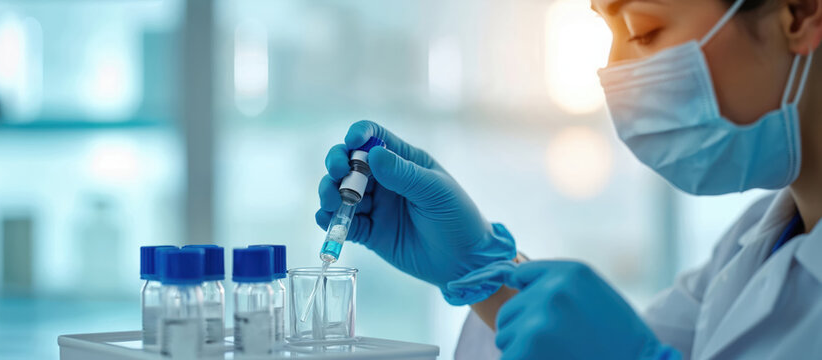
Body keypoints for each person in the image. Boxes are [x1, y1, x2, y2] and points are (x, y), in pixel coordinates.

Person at [316, 0, 822, 358]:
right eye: (609, 32)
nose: (614, 70)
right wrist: (479, 269)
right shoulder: (756, 244)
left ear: (797, 13)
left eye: (644, 30)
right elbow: (600, 347)